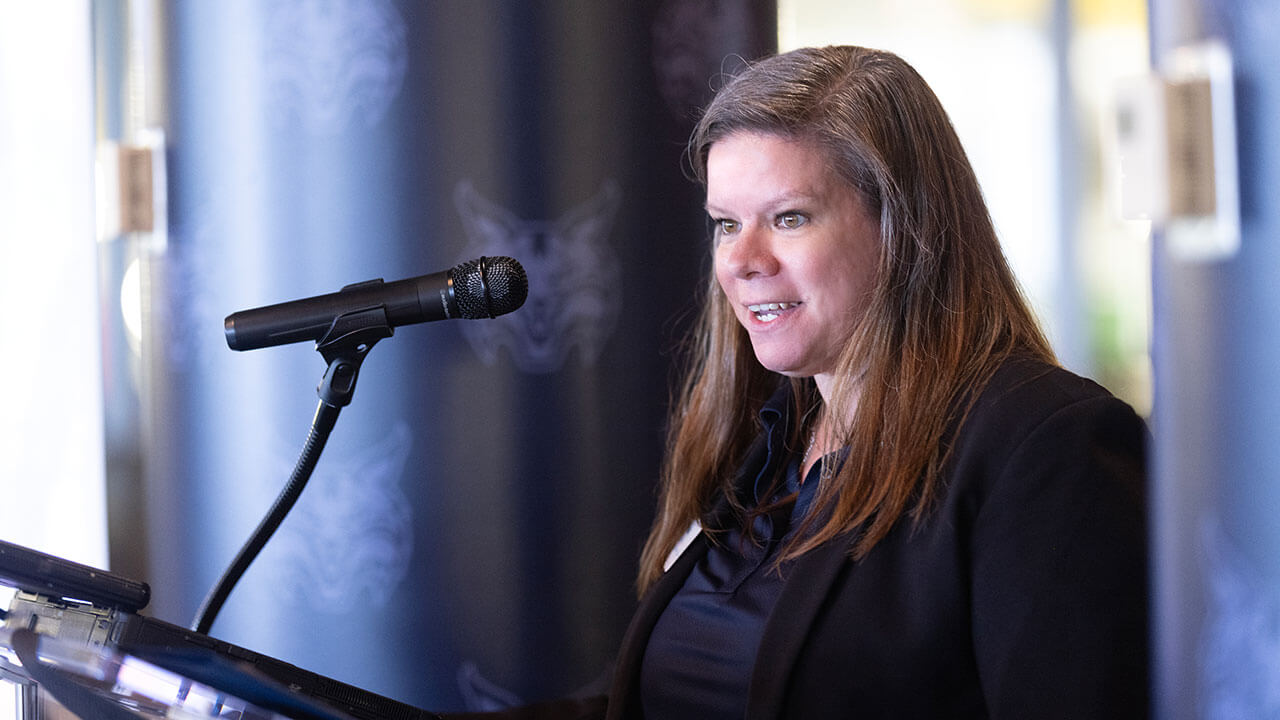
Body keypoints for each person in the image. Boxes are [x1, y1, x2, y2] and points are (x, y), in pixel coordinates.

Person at [450, 44, 1148, 720]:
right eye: (726, 224)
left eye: (789, 218)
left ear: (903, 228)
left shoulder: (1046, 448)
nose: (742, 260)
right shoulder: (762, 441)